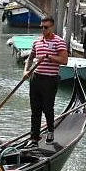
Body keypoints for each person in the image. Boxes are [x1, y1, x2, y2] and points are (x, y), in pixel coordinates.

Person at [24, 15, 68, 146]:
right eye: (41, 27)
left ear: (52, 27)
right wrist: (26, 71)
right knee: (35, 110)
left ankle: (50, 131)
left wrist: (48, 56)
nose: (43, 29)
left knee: (48, 109)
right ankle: (34, 137)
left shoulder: (59, 42)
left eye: (46, 27)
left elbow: (64, 60)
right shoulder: (37, 42)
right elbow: (31, 57)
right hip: (36, 78)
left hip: (50, 80)